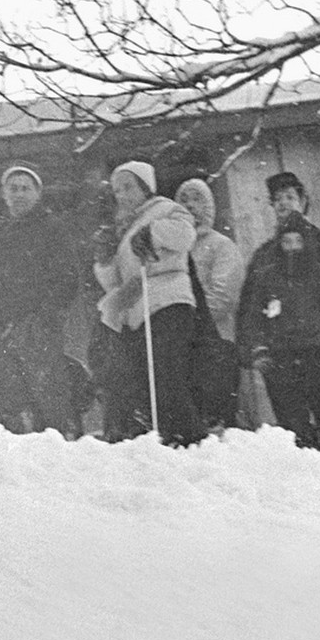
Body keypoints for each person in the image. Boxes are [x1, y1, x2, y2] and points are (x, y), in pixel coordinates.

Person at [241, 172, 320, 449]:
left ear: (303, 202)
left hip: (319, 350)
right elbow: (250, 308)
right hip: (279, 353)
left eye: (290, 197)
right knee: (292, 424)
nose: (284, 204)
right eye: (277, 199)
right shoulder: (264, 255)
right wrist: (253, 350)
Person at [93, 160, 203, 446]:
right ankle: (165, 437)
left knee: (166, 375)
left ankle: (188, 438)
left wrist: (154, 232)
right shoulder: (125, 226)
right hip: (138, 308)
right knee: (146, 380)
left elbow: (185, 235)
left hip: (168, 300)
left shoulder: (165, 209)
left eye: (129, 187)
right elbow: (114, 282)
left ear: (146, 186)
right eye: (117, 190)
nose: (123, 195)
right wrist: (104, 259)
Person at [0, 164, 80, 437]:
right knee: (12, 401)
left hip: (39, 327)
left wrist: (44, 318)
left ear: (38, 193)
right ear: (4, 194)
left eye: (26, 188)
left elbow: (67, 278)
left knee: (49, 396)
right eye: (13, 188)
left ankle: (59, 448)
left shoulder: (53, 228)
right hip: (3, 328)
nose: (19, 194)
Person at [174, 177, 245, 430]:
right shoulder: (175, 251)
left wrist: (188, 324)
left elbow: (223, 297)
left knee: (218, 420)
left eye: (197, 199)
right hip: (184, 349)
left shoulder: (221, 246)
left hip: (217, 345)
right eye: (184, 200)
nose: (191, 206)